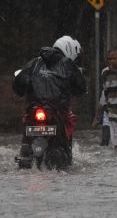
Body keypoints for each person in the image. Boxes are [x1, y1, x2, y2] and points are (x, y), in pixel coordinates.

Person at [13, 36, 87, 167]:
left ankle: (26, 152)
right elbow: (81, 88)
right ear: (70, 50)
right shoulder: (68, 65)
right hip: (56, 113)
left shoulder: (34, 62)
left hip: (33, 111)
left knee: (26, 135)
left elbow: (18, 84)